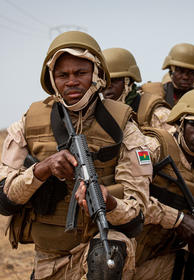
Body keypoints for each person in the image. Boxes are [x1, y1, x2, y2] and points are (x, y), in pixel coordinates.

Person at [0, 31, 153, 280]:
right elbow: (4, 198)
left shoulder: (123, 124)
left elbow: (136, 215)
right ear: (52, 78)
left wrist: (109, 202)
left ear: (96, 74)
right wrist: (42, 169)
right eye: (63, 75)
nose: (71, 81)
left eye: (80, 73)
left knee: (109, 252)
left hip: (99, 247)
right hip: (49, 257)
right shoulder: (30, 121)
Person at [133, 89, 194, 279]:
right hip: (121, 251)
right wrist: (178, 220)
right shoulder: (151, 148)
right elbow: (128, 199)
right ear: (181, 122)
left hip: (154, 257)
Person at [102, 48, 173, 132]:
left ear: (129, 82)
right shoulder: (96, 113)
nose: (108, 86)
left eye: (114, 81)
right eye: (104, 80)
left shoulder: (157, 115)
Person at [141, 43, 194, 107]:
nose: (185, 77)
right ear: (171, 71)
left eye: (192, 73)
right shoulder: (157, 94)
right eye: (181, 71)